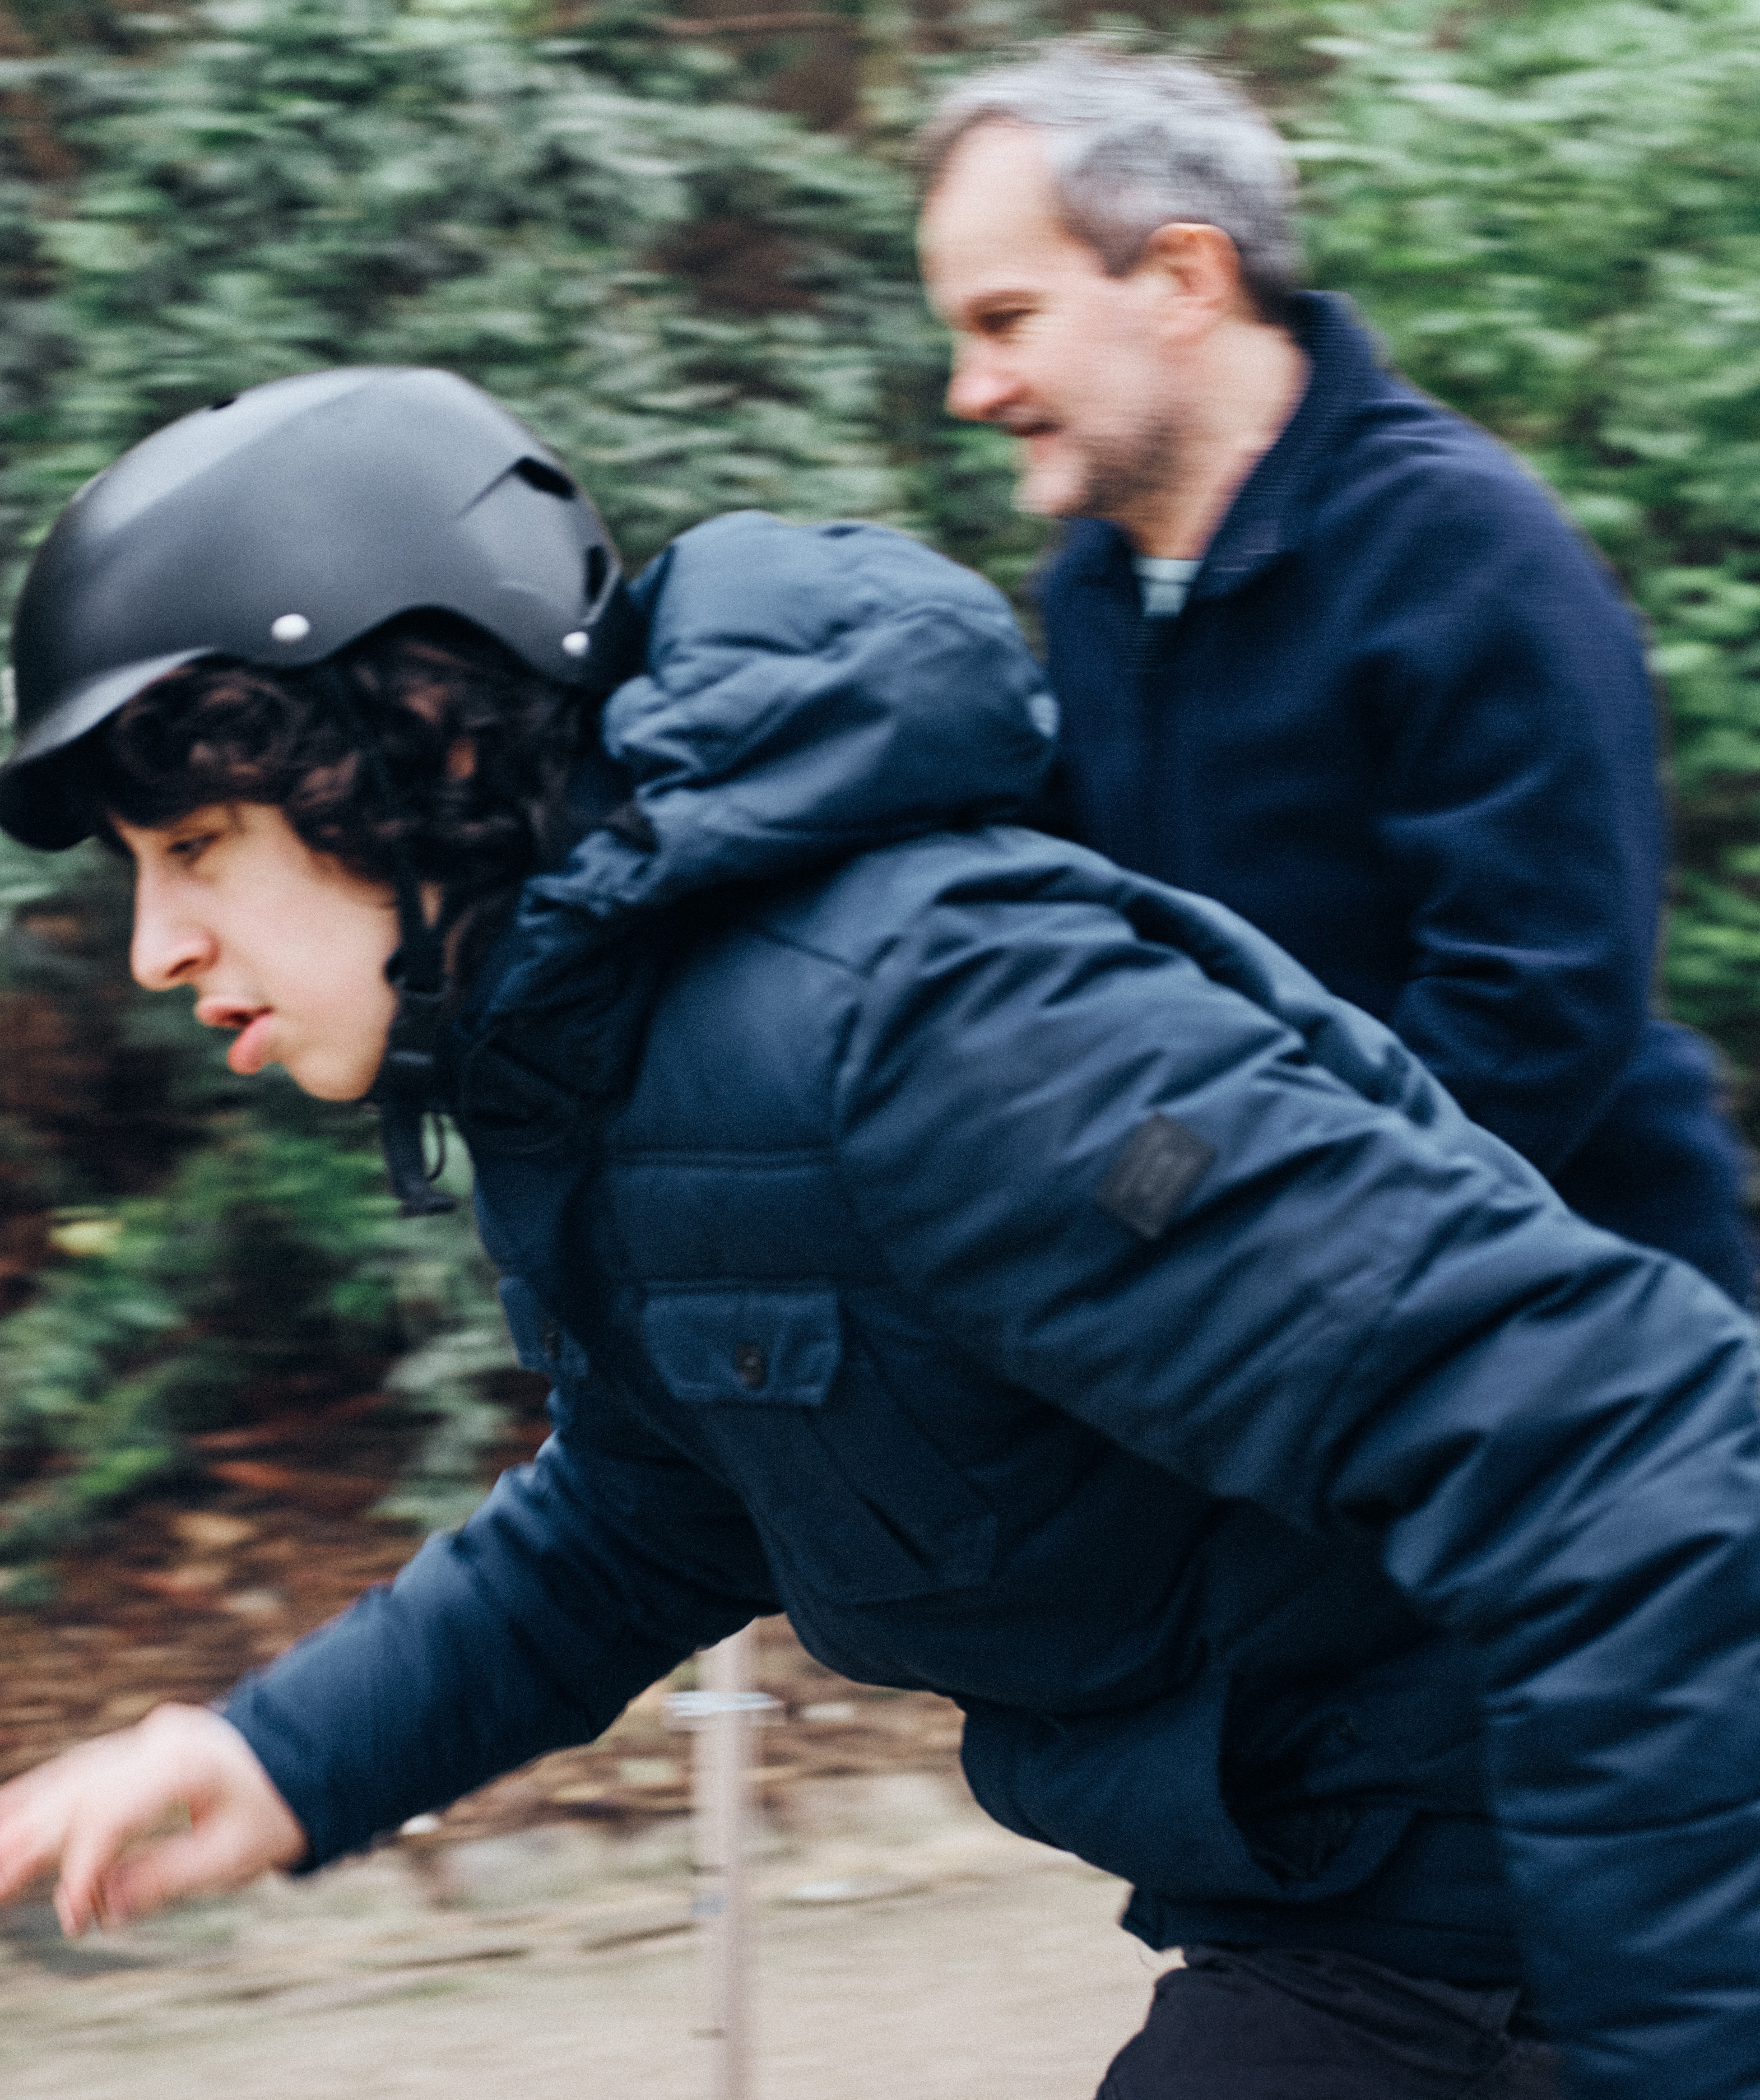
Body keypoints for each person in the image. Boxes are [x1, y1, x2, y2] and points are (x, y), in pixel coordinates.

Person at [1, 369, 1760, 2100]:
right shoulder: (606, 1055)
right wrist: (283, 1755)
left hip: (1543, 1907)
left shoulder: (920, 1016)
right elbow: (652, 1511)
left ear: (432, 748)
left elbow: (1627, 1452)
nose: (156, 945)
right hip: (1371, 1906)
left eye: (199, 846)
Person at [915, 45, 1754, 1306]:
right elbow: (1122, 978)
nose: (969, 391)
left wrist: (1195, 1237)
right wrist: (1124, 1219)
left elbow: (1528, 1019)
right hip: (1280, 1334)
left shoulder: (1459, 551)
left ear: (1183, 277)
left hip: (1578, 1345)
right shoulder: (1092, 581)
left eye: (1005, 321)